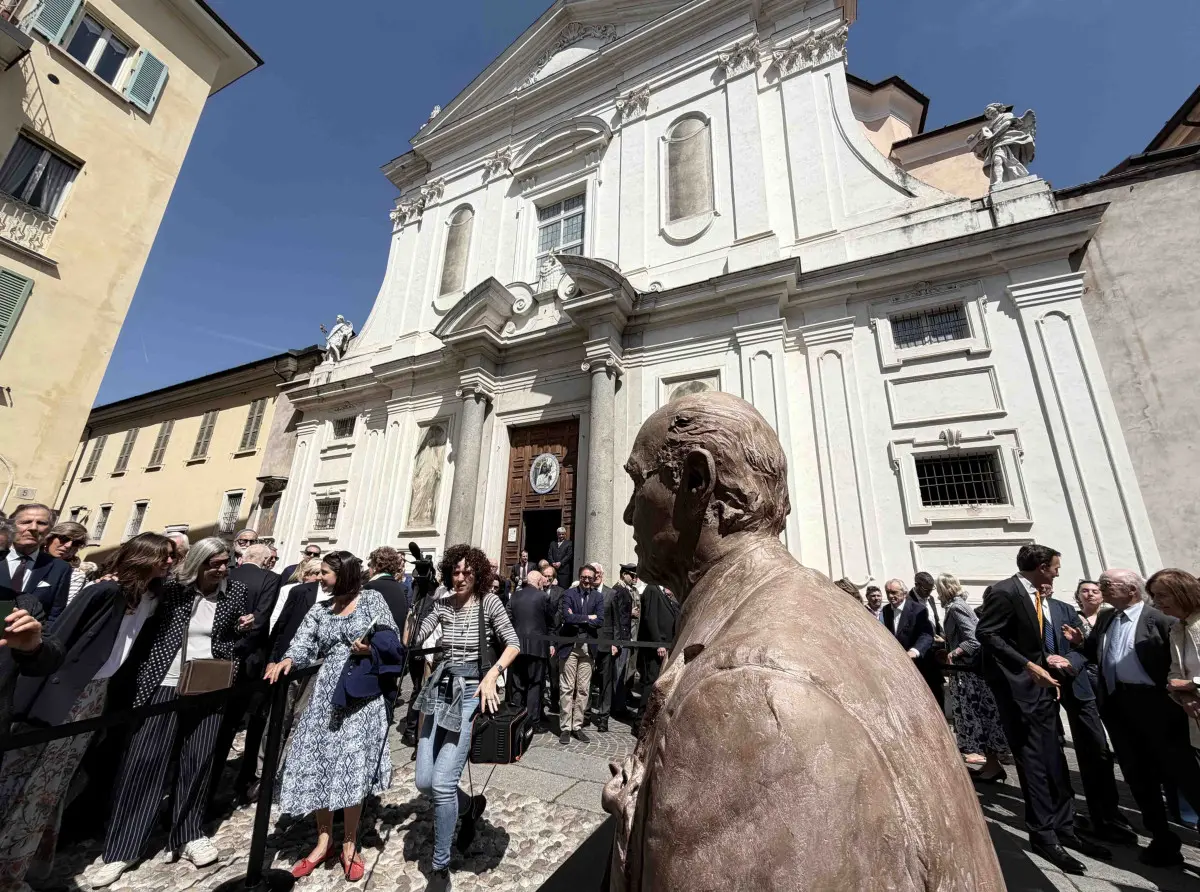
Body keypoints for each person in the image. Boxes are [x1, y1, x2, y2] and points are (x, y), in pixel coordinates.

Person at [602, 391, 1004, 891]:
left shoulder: (741, 694)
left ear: (697, 483)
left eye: (638, 483)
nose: (625, 514)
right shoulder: (826, 610)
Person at [1, 534, 173, 892]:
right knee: (25, 781)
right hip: (65, 694)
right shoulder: (104, 591)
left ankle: (22, 867)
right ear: (144, 557)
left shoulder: (151, 597)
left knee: (53, 785)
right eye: (165, 556)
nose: (170, 562)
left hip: (96, 694)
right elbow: (60, 638)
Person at [90, 536, 248, 887]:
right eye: (215, 563)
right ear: (198, 562)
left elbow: (229, 633)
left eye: (226, 562)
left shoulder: (234, 592)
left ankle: (188, 832)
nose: (222, 568)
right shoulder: (172, 590)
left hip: (210, 682)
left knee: (199, 758)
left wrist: (240, 632)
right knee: (145, 761)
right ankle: (123, 848)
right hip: (164, 682)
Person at [976, 544, 1109, 875]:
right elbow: (987, 634)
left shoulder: (1035, 595)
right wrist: (1028, 666)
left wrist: (1042, 660)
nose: (1058, 572)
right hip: (1019, 693)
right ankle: (1044, 836)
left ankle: (1066, 828)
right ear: (1039, 566)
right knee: (1034, 764)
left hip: (1043, 691)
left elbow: (1025, 638)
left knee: (1055, 760)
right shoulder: (1005, 592)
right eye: (1054, 566)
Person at [266, 551, 397, 883]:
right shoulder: (320, 609)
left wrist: (370, 649)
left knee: (350, 766)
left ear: (345, 574)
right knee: (321, 764)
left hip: (360, 695)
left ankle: (350, 844)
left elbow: (392, 640)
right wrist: (289, 661)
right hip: (326, 693)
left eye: (325, 573)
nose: (319, 578)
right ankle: (323, 841)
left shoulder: (371, 600)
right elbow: (302, 643)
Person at [1063, 568, 1200, 867]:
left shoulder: (1162, 621)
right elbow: (1091, 650)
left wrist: (1186, 692)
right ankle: (1162, 839)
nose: (1101, 589)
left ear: (1131, 590)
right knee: (1137, 775)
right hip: (1118, 706)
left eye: (1106, 585)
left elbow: (1178, 664)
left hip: (1159, 707)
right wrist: (1072, 652)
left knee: (1182, 773)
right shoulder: (1109, 618)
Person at [409, 545, 520, 892]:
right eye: (455, 572)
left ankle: (440, 868)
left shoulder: (489, 602)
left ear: (478, 574)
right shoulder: (441, 604)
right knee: (425, 782)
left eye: (467, 573)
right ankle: (469, 805)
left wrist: (492, 675)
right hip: (439, 688)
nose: (460, 578)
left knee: (442, 783)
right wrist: (420, 595)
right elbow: (412, 641)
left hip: (471, 691)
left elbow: (513, 643)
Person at [1036, 583, 1129, 842]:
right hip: (1041, 687)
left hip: (1076, 684)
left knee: (1096, 748)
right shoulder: (1019, 610)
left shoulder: (1065, 610)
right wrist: (1046, 662)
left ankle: (1106, 815)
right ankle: (1065, 814)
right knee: (1051, 750)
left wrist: (1068, 661)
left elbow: (1082, 649)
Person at [216, 542, 283, 803]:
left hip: (218, 655)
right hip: (251, 660)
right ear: (266, 561)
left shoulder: (228, 574)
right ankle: (242, 781)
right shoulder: (270, 579)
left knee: (216, 724)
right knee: (249, 719)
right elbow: (262, 617)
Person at [937, 573, 1009, 783]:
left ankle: (994, 766)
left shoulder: (957, 607)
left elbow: (975, 639)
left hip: (970, 677)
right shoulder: (956, 606)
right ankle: (990, 764)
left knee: (980, 719)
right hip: (963, 675)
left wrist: (955, 652)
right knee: (977, 720)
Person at [1, 503, 72, 623]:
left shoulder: (60, 568)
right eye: (25, 522)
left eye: (41, 523)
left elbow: (55, 616)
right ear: (11, 527)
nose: (33, 528)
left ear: (49, 530)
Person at [557, 564, 604, 745]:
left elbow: (600, 621)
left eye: (589, 578)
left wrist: (579, 617)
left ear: (593, 580)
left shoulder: (598, 597)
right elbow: (567, 618)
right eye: (583, 577)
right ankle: (565, 728)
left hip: (587, 649)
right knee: (567, 688)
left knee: (584, 689)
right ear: (579, 577)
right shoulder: (569, 594)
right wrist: (587, 618)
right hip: (570, 647)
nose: (586, 580)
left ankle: (577, 726)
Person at [1155, 568, 1200, 750]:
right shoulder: (1177, 628)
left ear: (1183, 593)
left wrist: (1193, 684)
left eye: (1162, 595)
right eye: (1154, 596)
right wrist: (1185, 694)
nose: (1157, 602)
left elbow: (1185, 681)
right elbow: (1176, 672)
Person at [507, 569, 556, 731]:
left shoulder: (514, 596)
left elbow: (508, 619)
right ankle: (532, 722)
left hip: (516, 647)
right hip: (537, 647)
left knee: (518, 685)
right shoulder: (543, 597)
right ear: (538, 582)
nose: (544, 583)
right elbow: (551, 620)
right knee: (535, 684)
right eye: (542, 580)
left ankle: (514, 719)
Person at [597, 565, 634, 728]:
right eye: (632, 576)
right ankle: (614, 707)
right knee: (615, 675)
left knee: (615, 676)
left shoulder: (618, 591)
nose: (635, 579)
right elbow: (619, 617)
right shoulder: (617, 590)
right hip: (607, 640)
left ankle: (611, 709)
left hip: (617, 639)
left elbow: (619, 618)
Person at [909, 571, 946, 710]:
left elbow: (935, 620)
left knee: (938, 688)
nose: (930, 593)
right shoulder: (908, 601)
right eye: (927, 589)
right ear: (917, 585)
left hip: (936, 650)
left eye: (932, 589)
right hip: (920, 653)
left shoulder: (930, 599)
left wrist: (941, 635)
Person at [636, 577, 675, 699]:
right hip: (656, 647)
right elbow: (650, 618)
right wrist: (658, 643)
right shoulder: (652, 589)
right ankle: (642, 715)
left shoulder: (662, 591)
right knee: (651, 680)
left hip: (665, 644)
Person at [881, 578, 934, 665]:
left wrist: (914, 651)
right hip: (897, 662)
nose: (890, 596)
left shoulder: (918, 609)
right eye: (888, 592)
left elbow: (927, 635)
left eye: (894, 592)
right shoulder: (886, 610)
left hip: (916, 663)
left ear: (904, 593)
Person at [42, 521, 89, 604]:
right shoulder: (28, 559)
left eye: (76, 543)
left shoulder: (75, 575)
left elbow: (62, 609)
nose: (68, 545)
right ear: (50, 538)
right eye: (64, 539)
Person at [365, 546, 411, 629]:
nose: (368, 569)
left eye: (370, 565)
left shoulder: (370, 587)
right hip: (395, 639)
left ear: (375, 566)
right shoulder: (402, 588)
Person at [547, 528, 573, 592]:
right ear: (557, 534)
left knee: (563, 589)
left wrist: (560, 563)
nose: (561, 536)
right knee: (552, 589)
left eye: (562, 534)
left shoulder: (569, 543)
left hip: (564, 571)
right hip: (554, 571)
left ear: (565, 534)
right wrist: (553, 563)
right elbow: (549, 554)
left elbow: (569, 555)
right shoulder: (553, 543)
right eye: (559, 534)